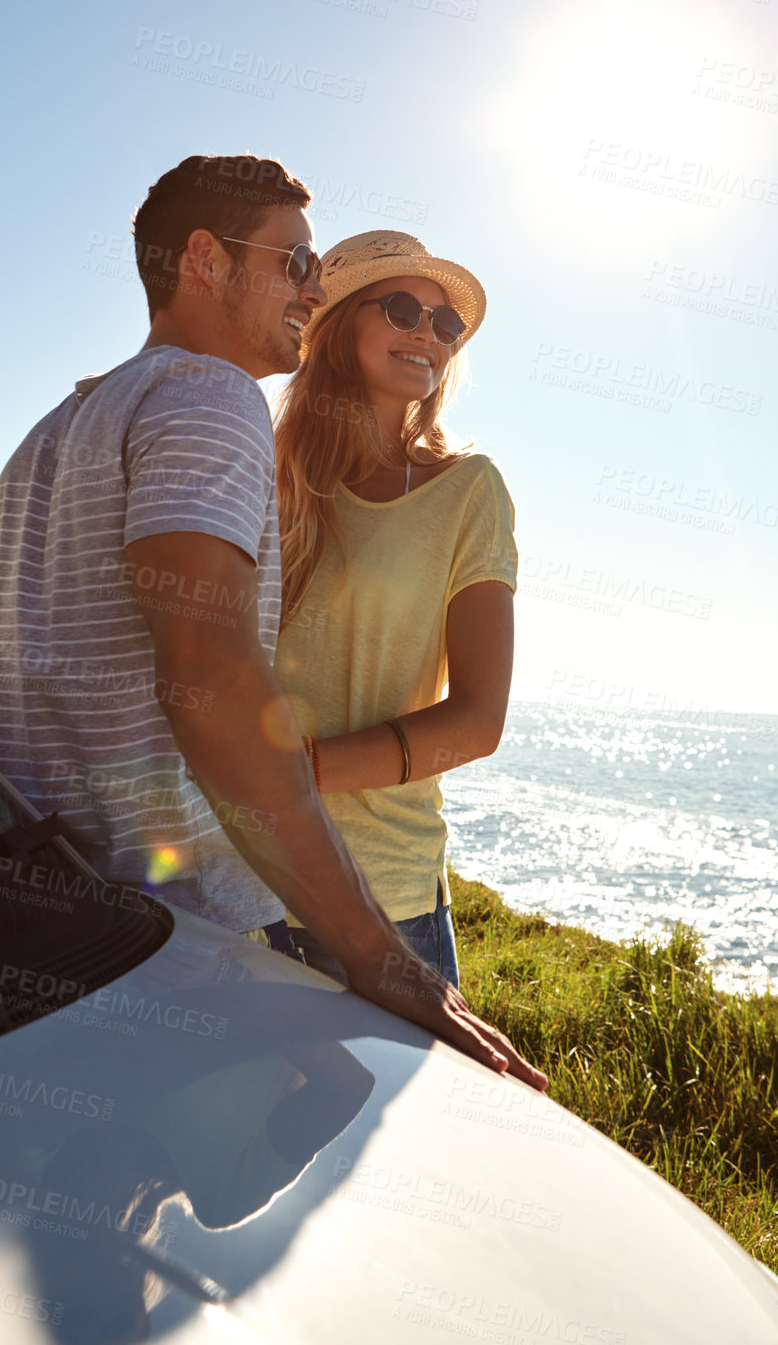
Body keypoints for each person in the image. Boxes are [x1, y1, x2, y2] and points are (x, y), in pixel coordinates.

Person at [0, 154, 543, 1089]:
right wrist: (379, 957)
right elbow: (212, 678)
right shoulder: (210, 402)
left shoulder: (50, 431)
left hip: (78, 909)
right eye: (296, 264)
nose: (309, 292)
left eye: (446, 324)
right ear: (205, 259)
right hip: (195, 915)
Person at [272, 231, 516, 989]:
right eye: (405, 307)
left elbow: (478, 721)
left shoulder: (469, 489)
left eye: (446, 325)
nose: (428, 334)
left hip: (385, 893)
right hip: (240, 877)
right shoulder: (261, 472)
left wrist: (287, 777)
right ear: (339, 325)